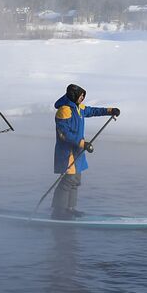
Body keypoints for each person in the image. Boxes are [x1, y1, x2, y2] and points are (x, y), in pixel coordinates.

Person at [51, 83, 120, 220]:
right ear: (73, 95)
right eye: (81, 96)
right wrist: (83, 143)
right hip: (67, 152)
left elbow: (92, 111)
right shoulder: (64, 110)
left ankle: (70, 209)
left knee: (76, 180)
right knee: (68, 180)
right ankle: (59, 211)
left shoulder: (78, 108)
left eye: (83, 96)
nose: (82, 99)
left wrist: (110, 110)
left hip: (77, 151)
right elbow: (63, 134)